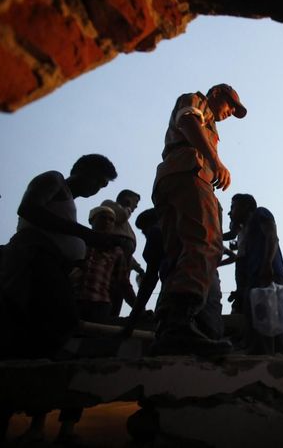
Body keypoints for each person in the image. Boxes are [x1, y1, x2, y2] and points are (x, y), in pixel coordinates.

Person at [151, 83, 246, 354]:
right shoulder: (198, 101)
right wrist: (214, 161)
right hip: (190, 173)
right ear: (216, 94)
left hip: (171, 176)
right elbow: (189, 121)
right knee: (205, 242)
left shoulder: (211, 122)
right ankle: (180, 323)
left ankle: (168, 326)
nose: (230, 112)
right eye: (230, 105)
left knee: (179, 252)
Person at [0, 154, 118, 359]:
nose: (96, 188)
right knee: (60, 318)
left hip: (51, 263)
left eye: (102, 185)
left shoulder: (68, 203)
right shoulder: (54, 179)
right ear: (82, 170)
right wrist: (85, 234)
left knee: (47, 319)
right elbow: (28, 208)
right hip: (34, 257)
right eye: (97, 180)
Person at [121, 208, 224, 341]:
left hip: (185, 293)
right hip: (209, 290)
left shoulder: (156, 232)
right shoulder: (193, 233)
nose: (145, 235)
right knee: (210, 332)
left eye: (144, 232)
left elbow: (150, 280)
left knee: (171, 336)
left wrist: (131, 323)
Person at [229, 194, 283, 354]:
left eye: (233, 207)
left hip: (268, 276)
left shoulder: (260, 213)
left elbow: (272, 237)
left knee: (272, 321)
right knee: (258, 324)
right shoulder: (247, 230)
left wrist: (267, 264)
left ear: (245, 207)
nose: (230, 212)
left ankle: (278, 360)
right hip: (256, 279)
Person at [74, 206, 131, 324]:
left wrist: (138, 309)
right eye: (103, 217)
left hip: (100, 304)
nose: (107, 222)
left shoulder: (116, 250)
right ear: (91, 220)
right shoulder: (78, 241)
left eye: (111, 220)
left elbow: (123, 283)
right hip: (73, 299)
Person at [102, 189, 144, 316]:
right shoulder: (109, 205)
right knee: (108, 289)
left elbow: (128, 252)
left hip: (122, 264)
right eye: (135, 202)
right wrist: (127, 207)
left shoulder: (126, 226)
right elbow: (120, 215)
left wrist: (138, 268)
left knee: (119, 293)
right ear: (127, 198)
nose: (136, 206)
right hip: (108, 261)